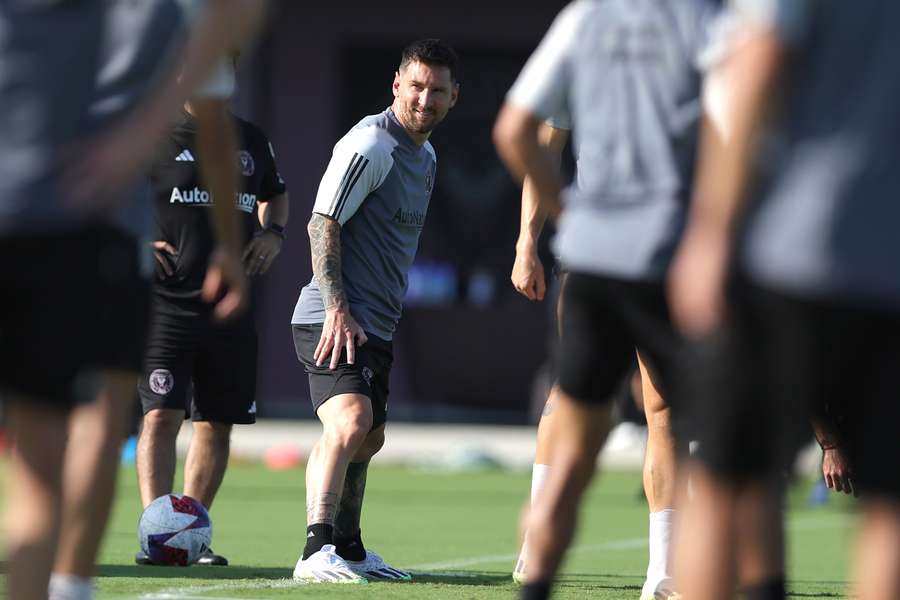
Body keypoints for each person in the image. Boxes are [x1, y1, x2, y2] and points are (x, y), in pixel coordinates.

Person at [0, 2, 264, 599]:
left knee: (40, 451)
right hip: (93, 236)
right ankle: (69, 584)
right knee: (83, 430)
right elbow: (216, 132)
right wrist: (229, 242)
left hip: (18, 216)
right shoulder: (172, 13)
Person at [668, 1, 900, 599]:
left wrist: (711, 229)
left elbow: (759, 59)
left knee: (722, 482)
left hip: (792, 254)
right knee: (888, 508)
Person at [493, 1, 718, 598]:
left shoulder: (585, 19)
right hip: (670, 257)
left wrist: (542, 235)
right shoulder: (710, 20)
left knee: (573, 414)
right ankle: (665, 577)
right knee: (670, 415)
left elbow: (520, 133)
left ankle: (536, 572)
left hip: (595, 259)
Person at [290, 38, 459, 583]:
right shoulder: (371, 144)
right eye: (415, 87)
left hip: (376, 321)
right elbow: (322, 223)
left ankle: (351, 548)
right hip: (331, 315)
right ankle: (316, 550)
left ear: (454, 97)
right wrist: (338, 309)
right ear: (396, 85)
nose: (424, 100)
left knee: (369, 436)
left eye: (436, 91)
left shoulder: (426, 155)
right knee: (350, 421)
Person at [509, 120, 682, 600]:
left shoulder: (687, 48)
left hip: (637, 255)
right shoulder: (587, 45)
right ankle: (541, 549)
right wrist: (529, 241)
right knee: (583, 402)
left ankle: (659, 575)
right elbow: (530, 138)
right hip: (621, 256)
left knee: (645, 408)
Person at [134, 80, 289, 566]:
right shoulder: (150, 133)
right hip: (167, 305)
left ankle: (191, 535)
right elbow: (108, 193)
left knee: (216, 423)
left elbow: (276, 194)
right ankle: (157, 535)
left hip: (230, 309)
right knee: (162, 414)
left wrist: (274, 232)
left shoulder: (250, 139)